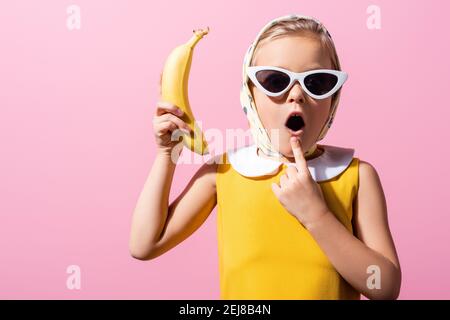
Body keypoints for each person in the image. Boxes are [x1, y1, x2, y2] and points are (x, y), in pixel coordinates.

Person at [129, 14, 401, 300]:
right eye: (275, 80)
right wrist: (166, 154)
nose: (296, 95)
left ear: (334, 98)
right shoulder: (223, 172)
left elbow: (384, 287)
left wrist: (317, 216)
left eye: (317, 83)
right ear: (250, 94)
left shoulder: (356, 176)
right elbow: (145, 244)